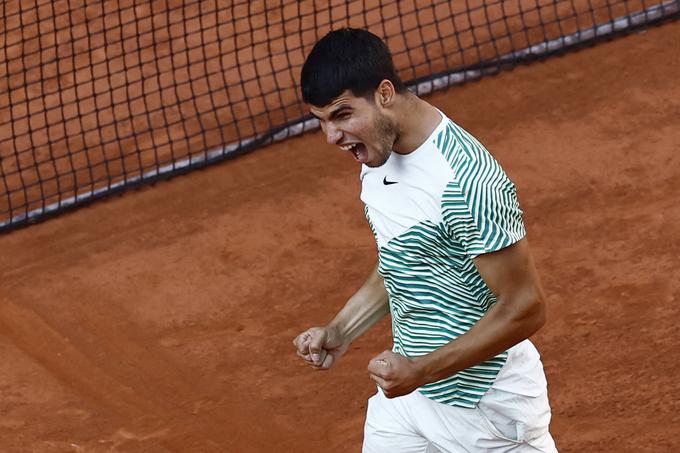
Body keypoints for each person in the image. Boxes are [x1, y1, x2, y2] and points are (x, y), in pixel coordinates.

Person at [292, 28, 558, 453]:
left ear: (383, 94)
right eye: (321, 121)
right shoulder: (378, 150)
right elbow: (409, 258)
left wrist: (421, 370)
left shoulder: (466, 182)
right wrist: (342, 328)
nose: (332, 137)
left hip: (488, 412)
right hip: (408, 403)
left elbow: (526, 308)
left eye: (342, 115)